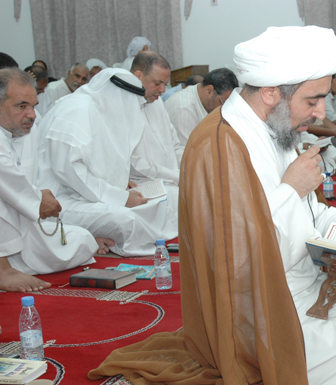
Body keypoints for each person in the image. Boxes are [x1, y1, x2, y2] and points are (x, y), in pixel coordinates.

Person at [88, 26, 336, 385]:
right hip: (260, 315)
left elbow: (315, 216)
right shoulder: (219, 145)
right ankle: (289, 372)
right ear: (270, 93)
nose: (320, 113)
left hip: (308, 288)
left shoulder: (278, 130)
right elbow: (236, 260)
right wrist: (290, 189)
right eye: (312, 100)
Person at [36, 68, 177, 257]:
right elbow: (69, 171)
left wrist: (119, 183)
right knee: (125, 220)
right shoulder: (77, 110)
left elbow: (98, 161)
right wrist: (120, 198)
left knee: (170, 196)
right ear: (118, 96)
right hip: (61, 200)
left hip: (90, 194)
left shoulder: (100, 112)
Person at [0, 69, 105, 292]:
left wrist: (40, 197)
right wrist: (39, 199)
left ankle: (12, 263)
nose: (32, 114)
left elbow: (27, 186)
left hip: (24, 225)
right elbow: (9, 184)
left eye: (33, 106)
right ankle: (3, 269)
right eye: (21, 106)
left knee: (83, 240)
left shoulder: (25, 130)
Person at [129, 52, 182, 229]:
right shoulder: (124, 106)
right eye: (157, 83)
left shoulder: (157, 102)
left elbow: (175, 145)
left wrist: (191, 169)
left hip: (173, 179)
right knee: (177, 198)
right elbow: (135, 163)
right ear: (138, 76)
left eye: (165, 84)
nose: (163, 90)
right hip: (144, 184)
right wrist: (178, 177)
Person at [165, 67, 238, 147]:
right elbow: (188, 151)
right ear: (209, 91)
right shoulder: (184, 109)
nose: (224, 108)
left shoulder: (200, 97)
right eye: (223, 102)